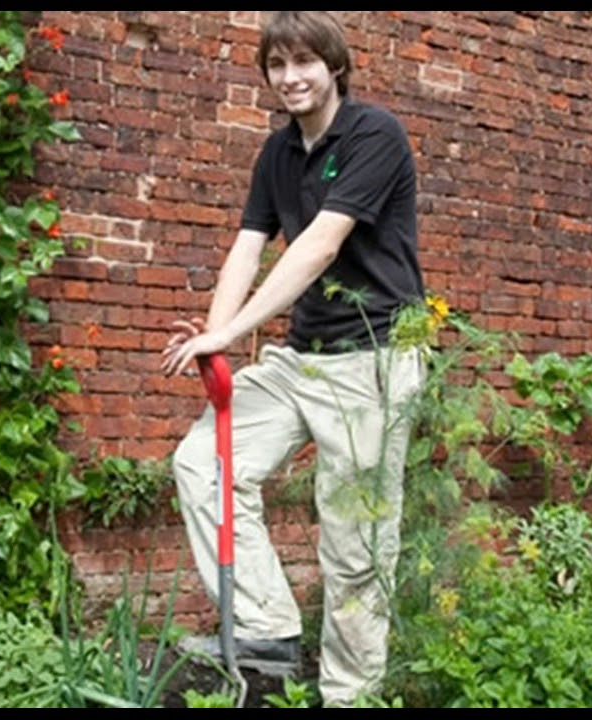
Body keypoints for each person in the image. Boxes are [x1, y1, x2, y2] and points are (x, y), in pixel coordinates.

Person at [161, 11, 427, 706]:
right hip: (302, 356)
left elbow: (318, 247)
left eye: (304, 62)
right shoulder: (277, 155)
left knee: (355, 542)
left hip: (372, 359)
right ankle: (268, 630)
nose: (290, 78)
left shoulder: (375, 134)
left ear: (334, 65)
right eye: (277, 66)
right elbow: (248, 247)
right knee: (203, 465)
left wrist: (232, 331)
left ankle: (350, 695)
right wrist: (212, 338)